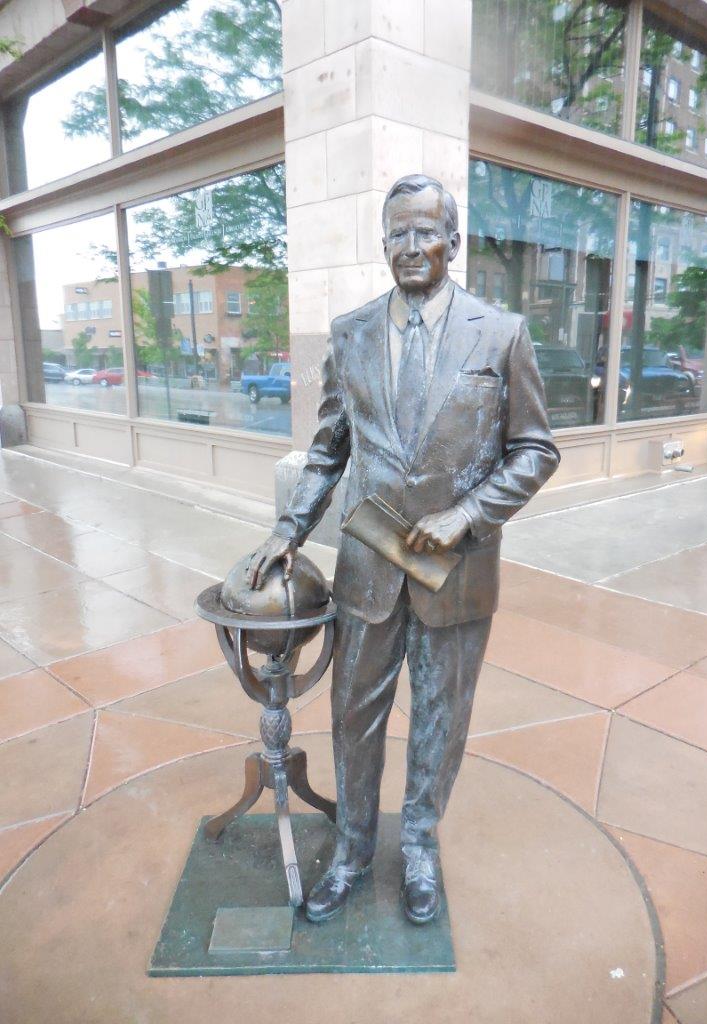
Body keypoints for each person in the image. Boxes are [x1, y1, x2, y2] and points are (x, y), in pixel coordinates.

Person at [245, 174, 560, 924]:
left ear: (454, 241)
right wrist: (288, 530)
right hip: (368, 570)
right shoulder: (350, 333)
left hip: (459, 570)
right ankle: (352, 848)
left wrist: (469, 515)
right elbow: (329, 447)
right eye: (399, 233)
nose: (412, 246)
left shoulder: (502, 332)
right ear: (382, 243)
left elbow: (536, 450)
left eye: (427, 231)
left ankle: (418, 845)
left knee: (441, 717)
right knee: (354, 714)